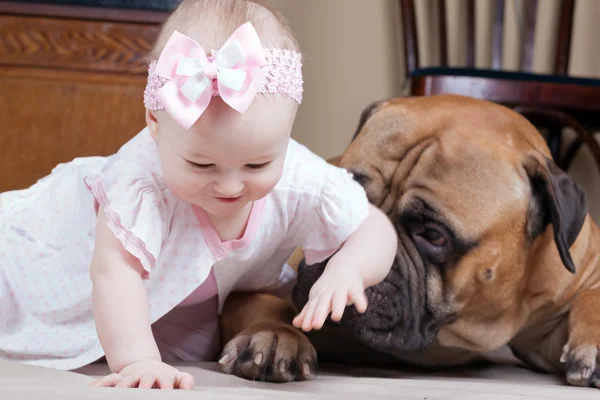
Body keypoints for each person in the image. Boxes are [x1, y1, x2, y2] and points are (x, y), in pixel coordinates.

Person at [0, 0, 397, 390]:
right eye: (202, 166)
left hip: (178, 288)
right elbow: (114, 274)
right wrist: (138, 361)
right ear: (155, 125)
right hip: (62, 256)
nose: (230, 186)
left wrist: (350, 267)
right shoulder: (139, 182)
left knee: (191, 338)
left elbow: (371, 225)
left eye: (257, 165)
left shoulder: (298, 174)